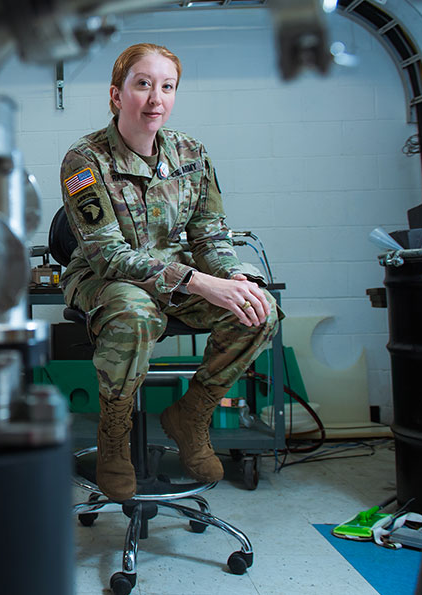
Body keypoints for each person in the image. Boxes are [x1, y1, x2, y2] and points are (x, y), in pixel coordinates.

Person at [59, 43, 280, 501]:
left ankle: (192, 414)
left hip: (178, 275)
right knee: (135, 311)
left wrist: (234, 278)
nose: (156, 98)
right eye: (142, 84)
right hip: (107, 280)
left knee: (260, 310)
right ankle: (114, 434)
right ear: (117, 95)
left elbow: (210, 236)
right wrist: (200, 281)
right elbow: (108, 256)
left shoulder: (192, 154)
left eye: (167, 86)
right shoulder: (84, 161)